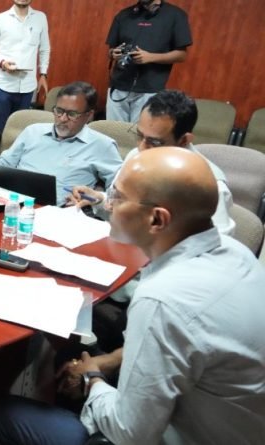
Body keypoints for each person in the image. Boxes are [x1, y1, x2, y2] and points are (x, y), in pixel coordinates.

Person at [0, 147, 265, 445]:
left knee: (7, 415)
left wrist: (92, 380)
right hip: (235, 422)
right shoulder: (235, 252)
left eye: (118, 197)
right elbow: (187, 346)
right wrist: (106, 362)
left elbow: (130, 433)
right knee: (73, 357)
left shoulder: (164, 299)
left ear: (157, 220)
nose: (108, 204)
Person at [66, 89, 235, 354]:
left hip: (154, 291)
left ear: (184, 140)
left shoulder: (208, 186)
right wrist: (100, 200)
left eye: (154, 142)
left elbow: (212, 264)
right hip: (113, 266)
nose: (142, 148)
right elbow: (123, 209)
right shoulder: (137, 156)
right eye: (139, 136)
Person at [0, 82, 121, 205]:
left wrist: (95, 197)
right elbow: (6, 163)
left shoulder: (102, 145)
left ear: (88, 115)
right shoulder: (33, 131)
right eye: (59, 111)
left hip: (62, 212)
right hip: (14, 202)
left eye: (72, 114)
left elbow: (120, 191)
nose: (62, 119)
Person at [105, 0, 192, 123]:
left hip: (150, 89)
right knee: (113, 131)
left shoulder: (176, 15)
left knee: (139, 133)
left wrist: (151, 57)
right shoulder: (124, 15)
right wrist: (114, 53)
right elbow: (111, 50)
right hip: (118, 87)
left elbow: (181, 55)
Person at [0, 0, 50, 145]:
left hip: (27, 87)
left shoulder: (40, 18)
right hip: (3, 86)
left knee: (19, 134)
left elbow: (44, 48)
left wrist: (43, 74)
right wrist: (2, 63)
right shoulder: (0, 19)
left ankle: (14, 160)